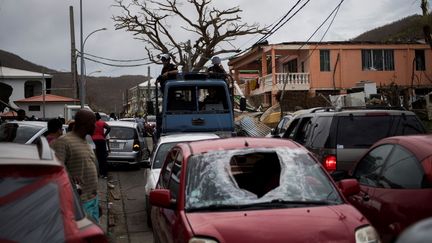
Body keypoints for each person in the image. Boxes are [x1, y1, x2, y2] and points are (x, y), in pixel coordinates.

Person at [51, 109, 100, 222]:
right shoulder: (63, 142)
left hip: (92, 199)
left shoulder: (85, 141)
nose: (95, 126)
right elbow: (56, 171)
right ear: (84, 124)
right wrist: (69, 178)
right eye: (93, 123)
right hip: (78, 204)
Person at [91, 112, 111, 179]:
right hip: (101, 140)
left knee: (98, 158)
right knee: (103, 157)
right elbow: (109, 128)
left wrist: (92, 135)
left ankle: (100, 173)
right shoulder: (102, 123)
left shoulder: (92, 123)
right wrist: (104, 135)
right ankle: (104, 174)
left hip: (94, 141)